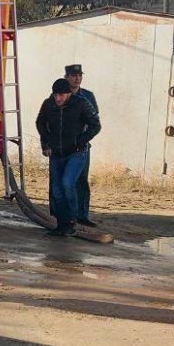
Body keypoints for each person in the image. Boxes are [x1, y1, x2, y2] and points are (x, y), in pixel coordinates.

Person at [35, 78, 101, 237]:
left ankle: (72, 220)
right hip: (56, 154)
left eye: (62, 95)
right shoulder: (48, 104)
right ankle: (62, 224)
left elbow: (95, 125)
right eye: (56, 95)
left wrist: (81, 141)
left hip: (76, 153)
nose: (58, 99)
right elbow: (40, 123)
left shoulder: (81, 104)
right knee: (57, 190)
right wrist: (45, 143)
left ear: (68, 94)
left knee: (67, 184)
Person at [64, 64, 97, 226]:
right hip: (62, 146)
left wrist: (84, 139)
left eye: (79, 76)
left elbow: (94, 121)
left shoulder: (88, 96)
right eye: (73, 75)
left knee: (81, 180)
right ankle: (62, 215)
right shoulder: (60, 95)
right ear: (66, 77)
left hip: (81, 145)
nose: (77, 78)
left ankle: (82, 215)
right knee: (62, 181)